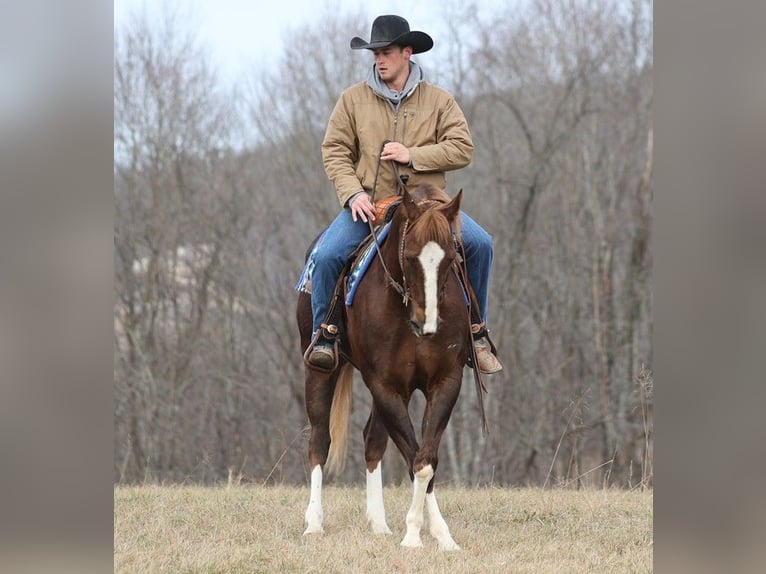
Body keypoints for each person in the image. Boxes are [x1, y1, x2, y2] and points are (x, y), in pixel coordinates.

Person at [307, 14, 502, 374]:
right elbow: (334, 150)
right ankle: (326, 334)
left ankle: (476, 331)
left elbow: (463, 148)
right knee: (326, 254)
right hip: (372, 205)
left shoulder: (439, 101)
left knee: (481, 244)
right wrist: (353, 196)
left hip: (430, 209)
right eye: (375, 53)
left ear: (407, 52)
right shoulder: (352, 100)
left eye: (387, 52)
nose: (379, 59)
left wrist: (413, 154)